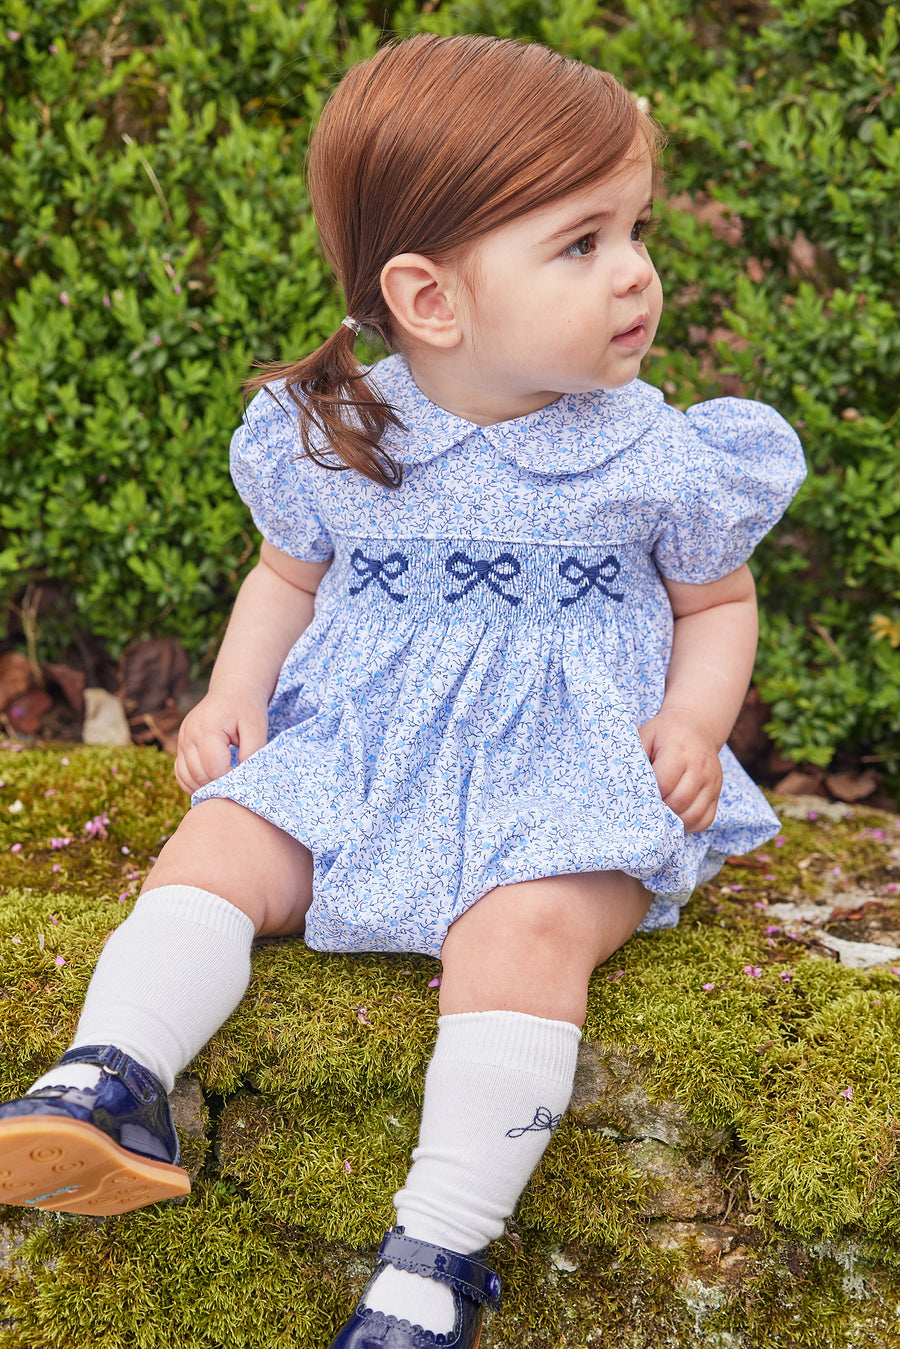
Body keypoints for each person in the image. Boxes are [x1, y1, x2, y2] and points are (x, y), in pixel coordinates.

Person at [0, 32, 805, 1349]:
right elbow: (287, 578)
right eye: (583, 243)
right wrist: (232, 696)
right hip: (365, 751)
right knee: (221, 837)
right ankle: (110, 1077)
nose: (639, 274)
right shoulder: (341, 430)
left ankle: (437, 1255)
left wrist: (693, 719)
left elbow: (717, 601)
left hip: (568, 772)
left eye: (637, 229)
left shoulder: (656, 450)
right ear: (431, 299)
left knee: (523, 933)